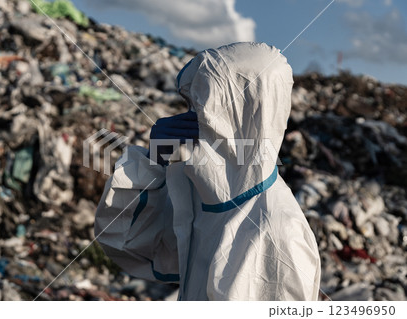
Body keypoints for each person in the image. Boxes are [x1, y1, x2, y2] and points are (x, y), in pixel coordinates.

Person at [94, 42, 321, 300]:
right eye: (189, 104)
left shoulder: (277, 231)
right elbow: (129, 243)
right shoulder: (206, 198)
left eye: (202, 107)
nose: (191, 117)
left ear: (242, 114)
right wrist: (151, 164)